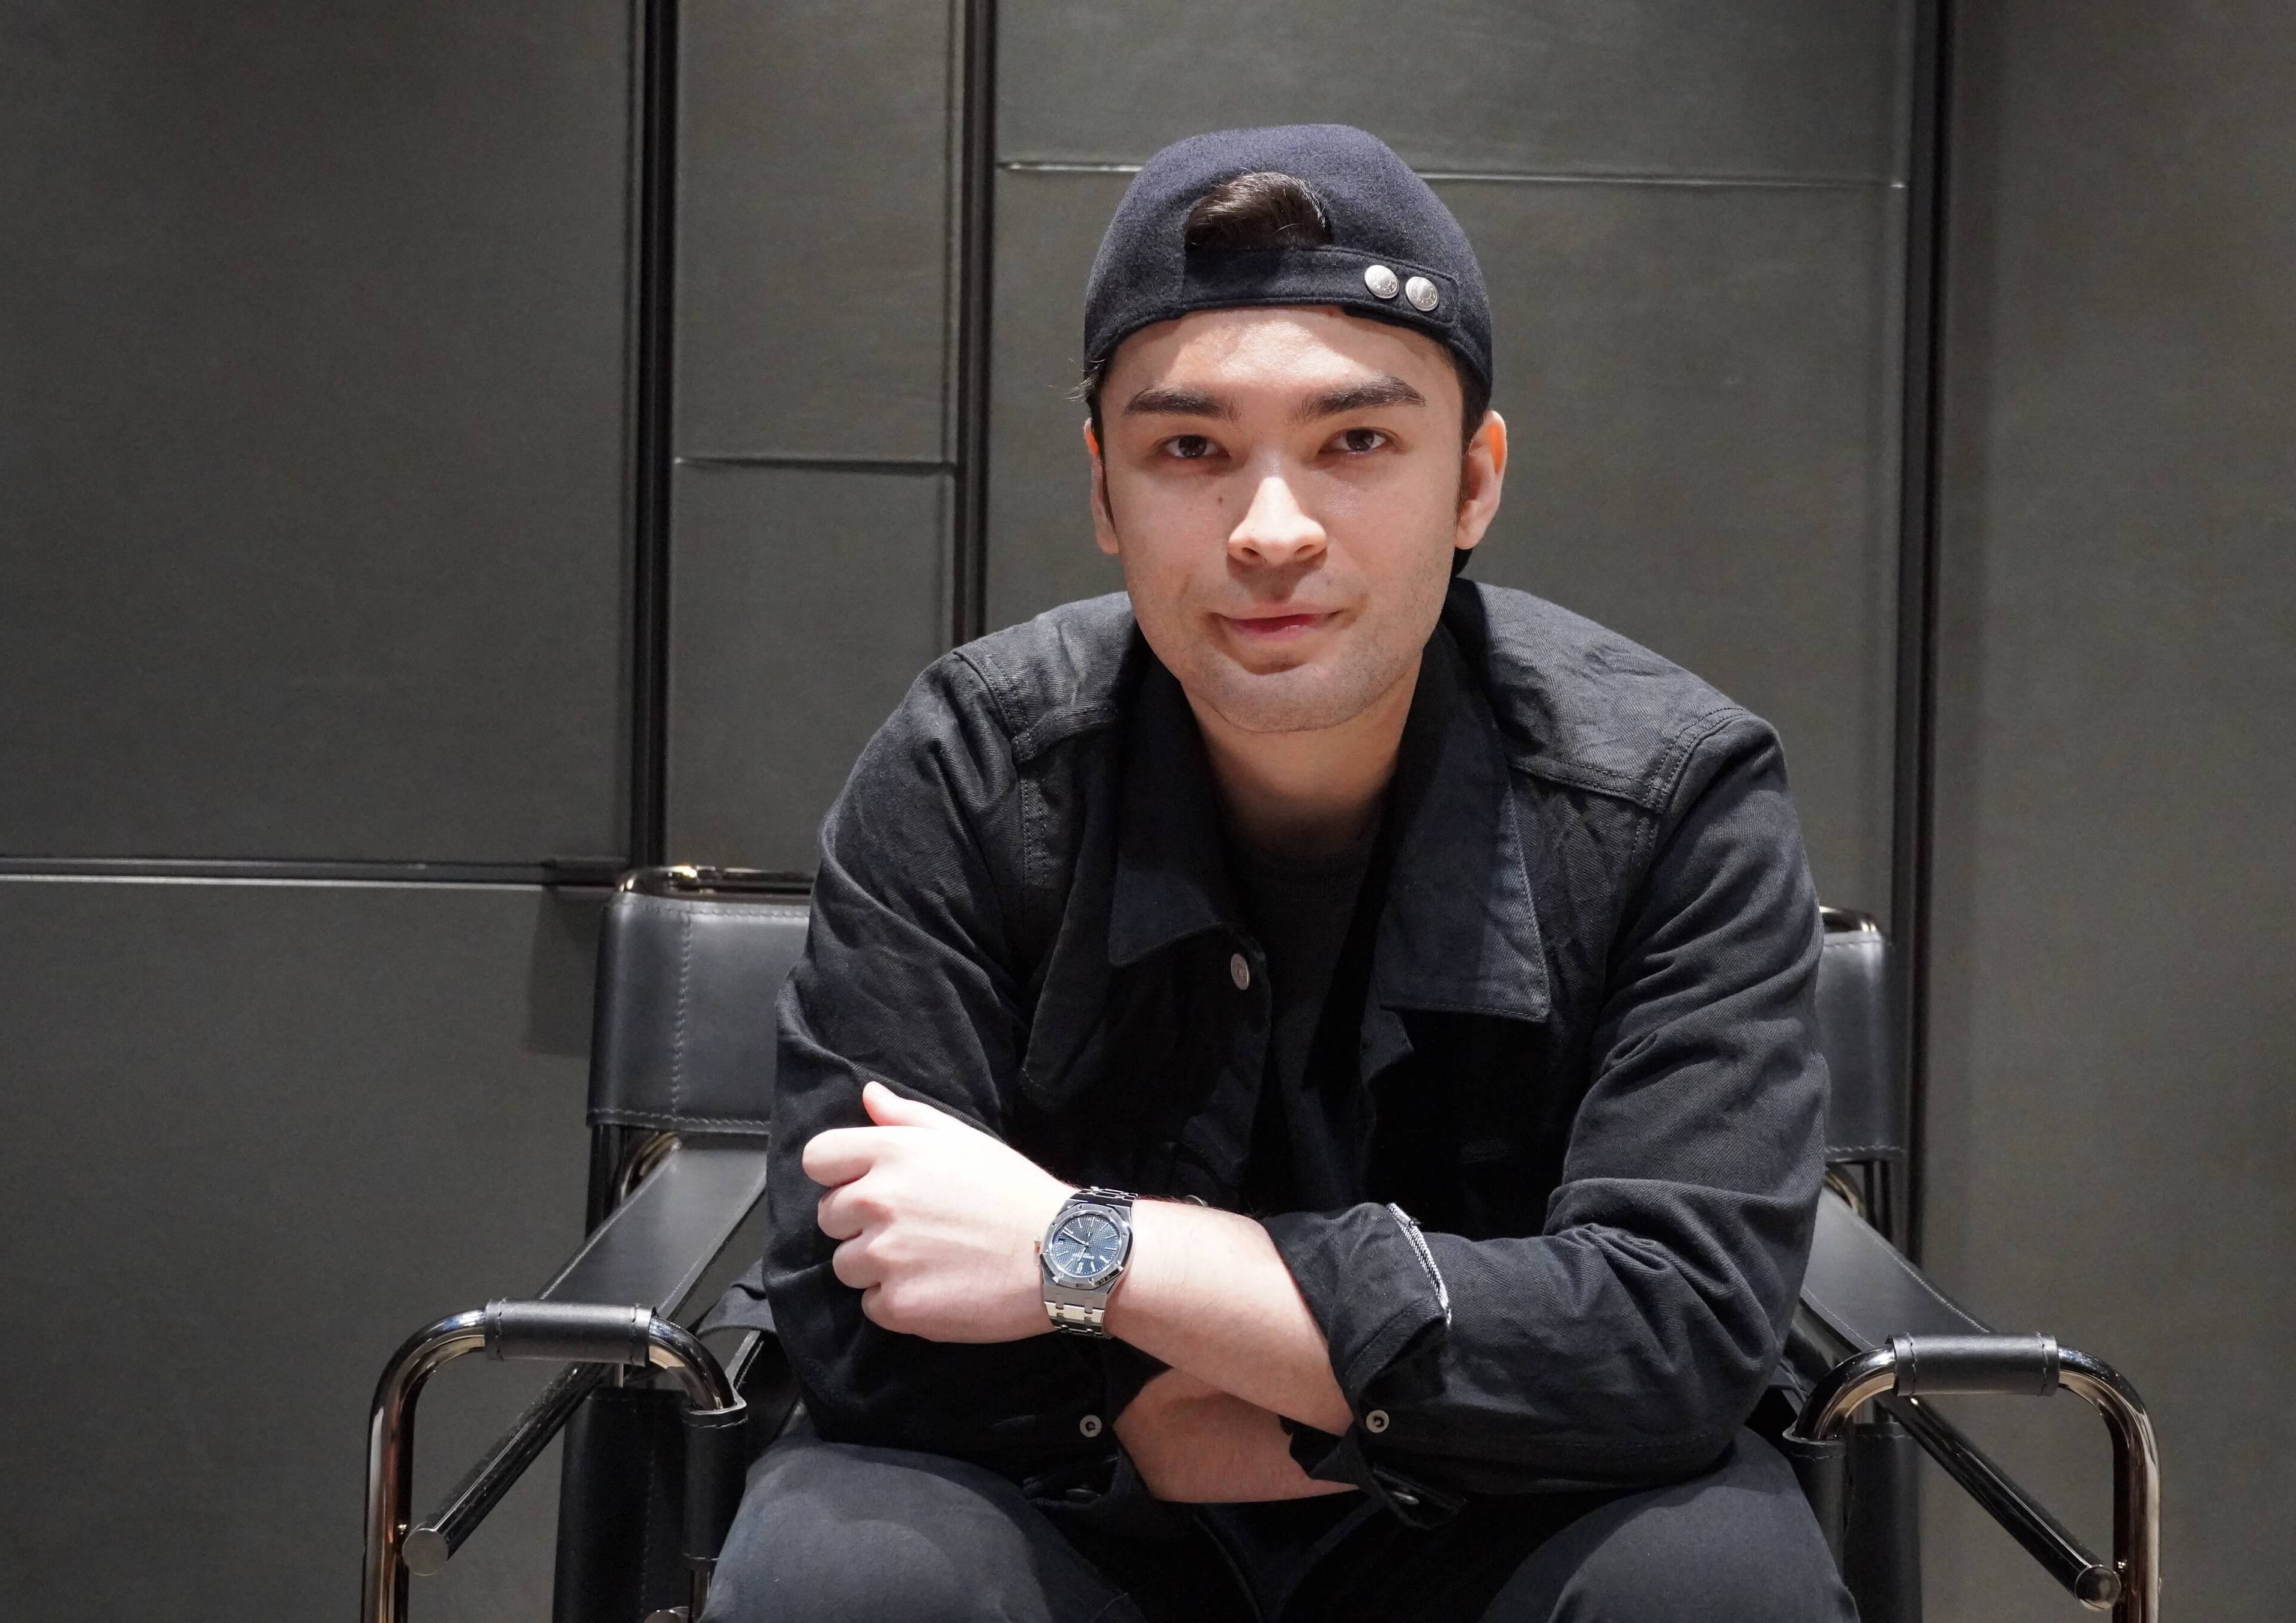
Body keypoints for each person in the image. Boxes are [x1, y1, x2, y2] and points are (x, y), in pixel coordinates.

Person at [707, 124, 1855, 1623]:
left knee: (1710, 1586)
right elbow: (867, 1318)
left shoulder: (1674, 792)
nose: (1270, 529)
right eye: (1189, 449)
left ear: (1473, 481)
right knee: (848, 1575)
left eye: (1355, 442)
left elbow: (1670, 1334)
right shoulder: (967, 766)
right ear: (1106, 491)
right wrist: (1360, 1391)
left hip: (1506, 1523)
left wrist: (1086, 1250)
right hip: (1083, 1496)